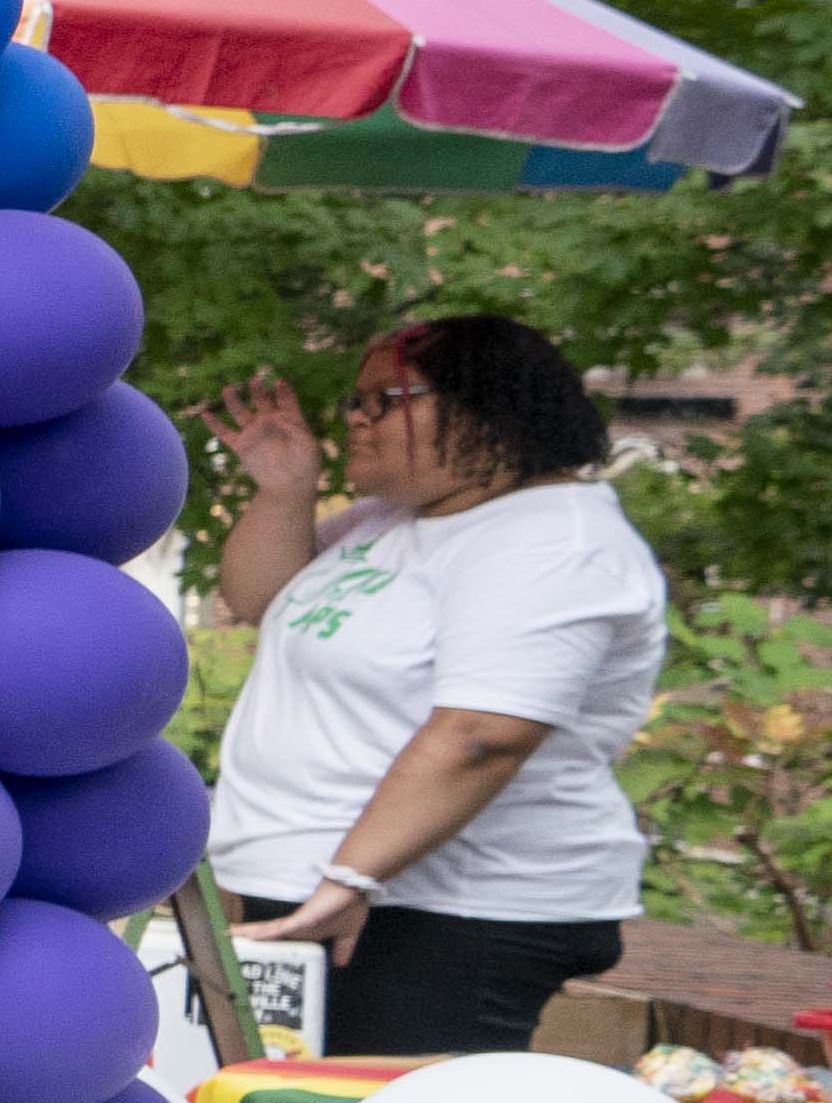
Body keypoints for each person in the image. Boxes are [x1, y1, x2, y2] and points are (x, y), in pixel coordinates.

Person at [206, 314, 673, 1057]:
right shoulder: (388, 523)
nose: (356, 420)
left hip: (442, 912)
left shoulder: (552, 540)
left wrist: (351, 877)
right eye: (354, 404)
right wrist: (285, 490)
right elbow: (265, 602)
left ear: (488, 406)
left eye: (382, 401)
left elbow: (482, 735)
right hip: (336, 899)